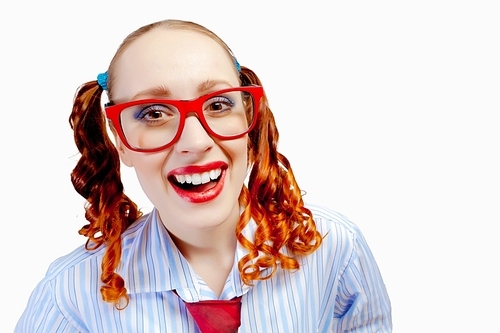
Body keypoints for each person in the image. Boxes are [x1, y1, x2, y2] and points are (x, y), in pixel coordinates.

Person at [15, 19, 392, 332]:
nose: (195, 142)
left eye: (218, 104)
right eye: (153, 113)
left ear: (248, 118)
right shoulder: (69, 299)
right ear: (122, 142)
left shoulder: (336, 251)